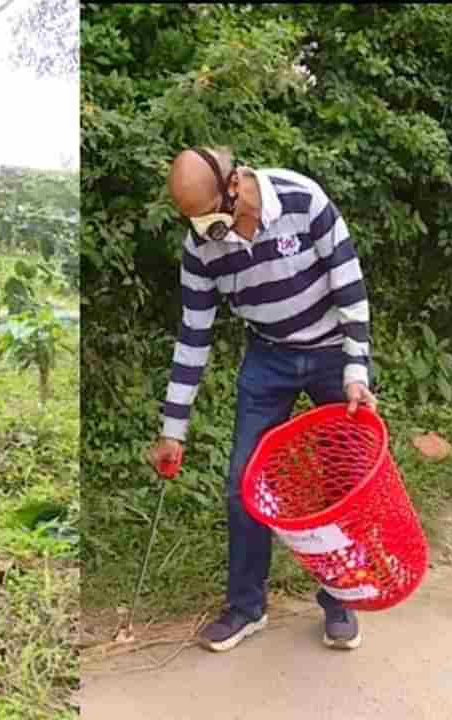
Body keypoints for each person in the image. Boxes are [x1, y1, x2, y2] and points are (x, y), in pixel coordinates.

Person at [150, 146, 377, 653]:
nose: (207, 232)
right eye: (194, 222)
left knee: (340, 483)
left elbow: (350, 286)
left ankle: (339, 600)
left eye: (209, 216)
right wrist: (173, 429)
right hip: (268, 358)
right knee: (244, 484)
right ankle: (247, 608)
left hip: (331, 353)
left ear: (234, 186)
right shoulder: (200, 246)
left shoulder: (304, 199)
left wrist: (356, 369)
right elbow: (193, 337)